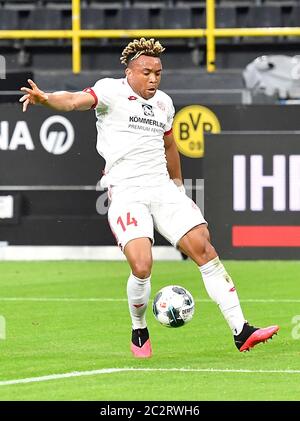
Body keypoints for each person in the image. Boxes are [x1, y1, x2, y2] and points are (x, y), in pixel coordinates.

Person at [20, 38, 279, 358]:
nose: (154, 78)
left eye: (158, 73)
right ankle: (139, 327)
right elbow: (73, 101)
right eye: (147, 72)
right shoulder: (109, 91)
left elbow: (170, 146)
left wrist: (179, 189)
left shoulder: (164, 104)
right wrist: (46, 99)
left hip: (162, 188)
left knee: (204, 247)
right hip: (126, 189)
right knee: (142, 265)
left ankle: (242, 330)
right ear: (129, 72)